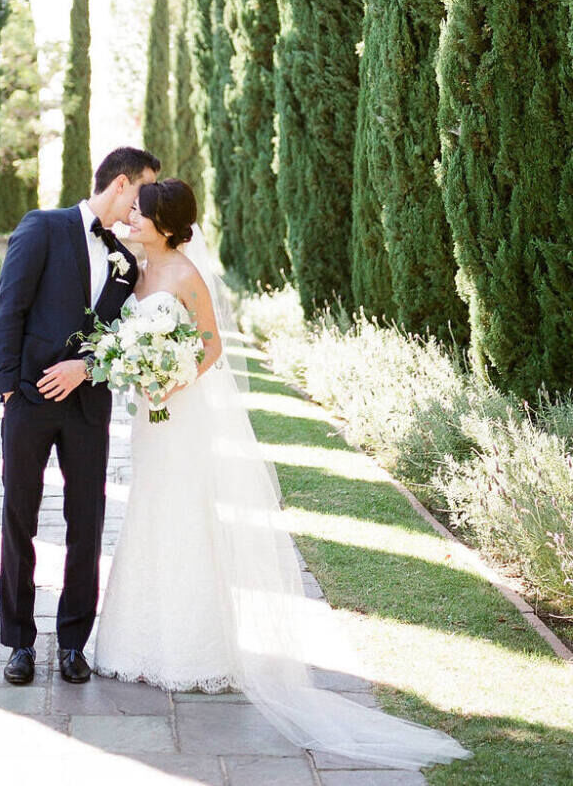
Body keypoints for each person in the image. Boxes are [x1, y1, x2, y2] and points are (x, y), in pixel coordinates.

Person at [94, 178, 471, 771]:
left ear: (167, 225)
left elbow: (210, 346)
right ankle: (135, 641)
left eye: (140, 215)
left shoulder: (186, 276)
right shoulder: (131, 272)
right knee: (148, 513)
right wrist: (134, 368)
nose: (131, 220)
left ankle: (194, 650)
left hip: (179, 413)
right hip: (149, 419)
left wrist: (170, 379)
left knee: (185, 516)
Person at [0, 146, 159, 687]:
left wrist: (84, 369)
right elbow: (9, 307)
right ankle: (19, 643)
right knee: (21, 517)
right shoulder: (42, 227)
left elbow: (114, 334)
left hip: (88, 406)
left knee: (87, 522)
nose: (144, 202)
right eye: (143, 191)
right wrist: (9, 391)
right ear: (121, 185)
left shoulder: (127, 262)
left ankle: (72, 644)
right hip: (31, 401)